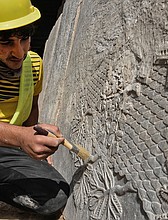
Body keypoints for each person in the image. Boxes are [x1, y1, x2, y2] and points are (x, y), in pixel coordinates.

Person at [0, 0, 70, 218]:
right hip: (12, 140)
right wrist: (21, 137)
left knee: (53, 195)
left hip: (6, 147)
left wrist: (34, 135)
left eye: (24, 39)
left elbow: (31, 105)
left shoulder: (34, 65)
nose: (19, 52)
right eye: (6, 42)